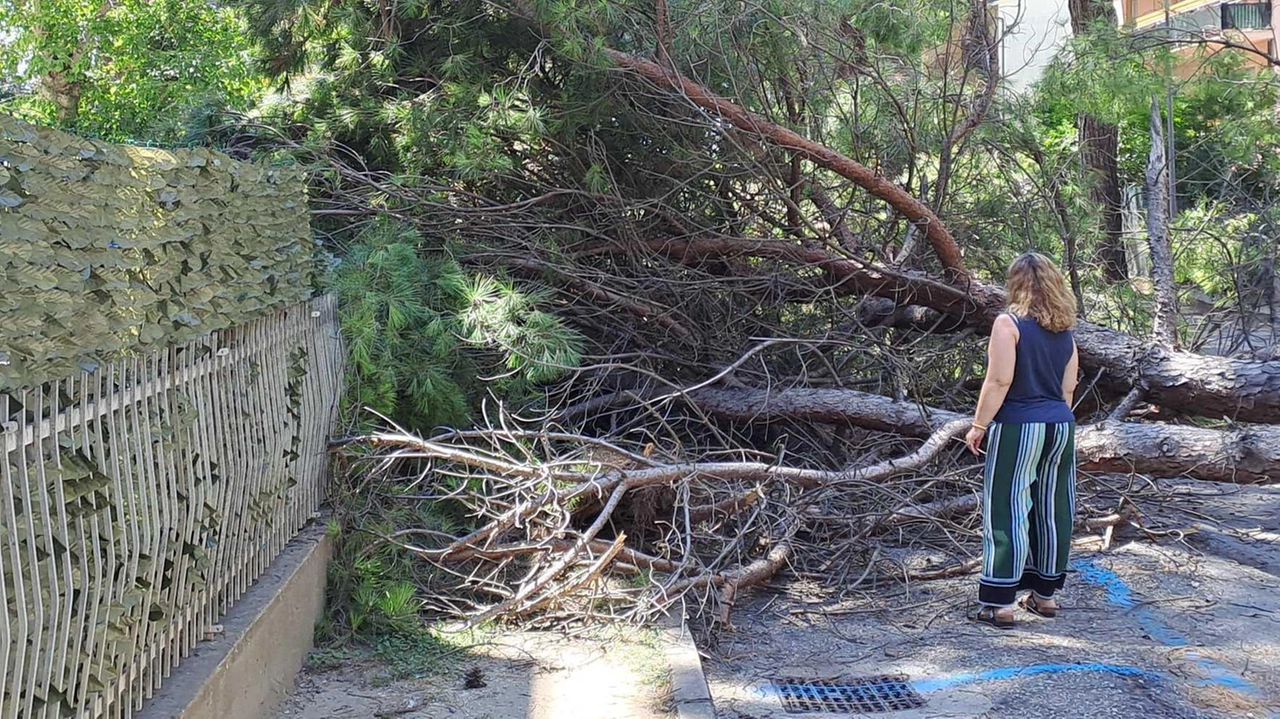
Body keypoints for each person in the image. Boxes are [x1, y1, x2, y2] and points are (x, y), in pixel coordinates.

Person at [964, 252, 1079, 629]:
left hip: (1018, 425)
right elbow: (1068, 389)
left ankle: (1000, 602)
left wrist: (979, 424)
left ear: (1015, 282)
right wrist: (1054, 420)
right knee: (1052, 507)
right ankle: (1044, 596)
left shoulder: (1007, 323)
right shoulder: (1065, 331)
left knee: (1008, 506)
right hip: (1060, 425)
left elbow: (999, 381)